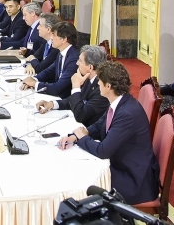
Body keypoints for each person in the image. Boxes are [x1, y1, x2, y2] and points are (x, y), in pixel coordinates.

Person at [58, 61, 160, 205]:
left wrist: (83, 138)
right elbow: (99, 125)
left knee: (80, 178)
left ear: (108, 86)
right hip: (121, 165)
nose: (98, 83)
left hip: (133, 180)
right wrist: (75, 137)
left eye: (100, 81)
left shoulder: (127, 113)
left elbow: (103, 151)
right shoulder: (119, 101)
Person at [36, 45, 110, 126]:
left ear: (90, 67)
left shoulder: (102, 88)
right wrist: (52, 104)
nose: (77, 63)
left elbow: (80, 115)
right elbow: (74, 101)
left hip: (89, 130)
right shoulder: (88, 78)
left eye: (80, 61)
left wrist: (76, 87)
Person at [21, 21, 80, 99]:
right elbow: (48, 72)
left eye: (54, 35)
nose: (51, 37)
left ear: (64, 39)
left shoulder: (74, 58)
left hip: (66, 101)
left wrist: (35, 84)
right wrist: (34, 79)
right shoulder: (61, 52)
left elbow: (58, 88)